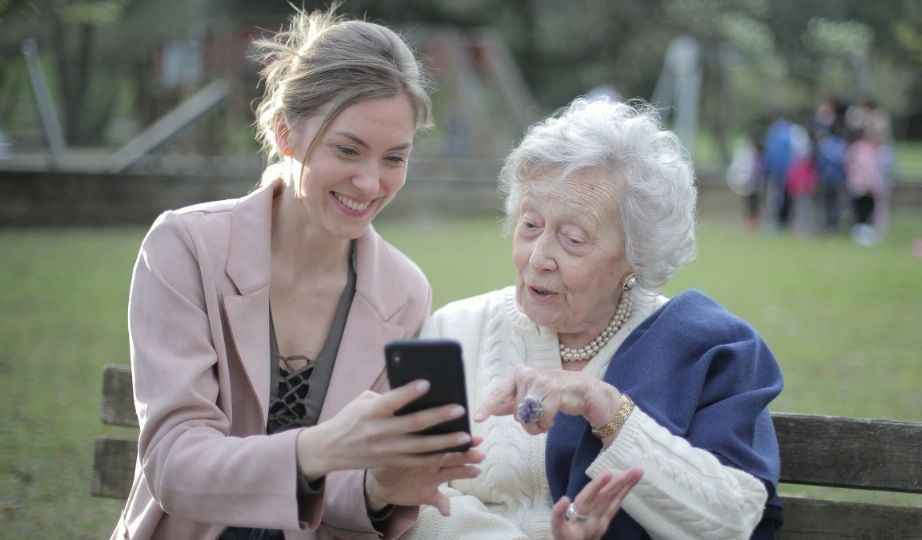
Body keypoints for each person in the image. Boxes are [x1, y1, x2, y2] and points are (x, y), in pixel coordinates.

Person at [112, 7, 484, 540]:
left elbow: (346, 492)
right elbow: (174, 463)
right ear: (286, 131)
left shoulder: (403, 292)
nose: (369, 182)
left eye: (394, 158)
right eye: (347, 149)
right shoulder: (185, 246)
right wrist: (320, 448)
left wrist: (379, 489)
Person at [402, 99, 784, 539]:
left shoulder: (705, 348)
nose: (539, 257)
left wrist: (605, 408)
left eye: (573, 238)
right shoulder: (453, 331)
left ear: (637, 255)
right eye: (530, 225)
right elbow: (412, 496)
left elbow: (734, 518)